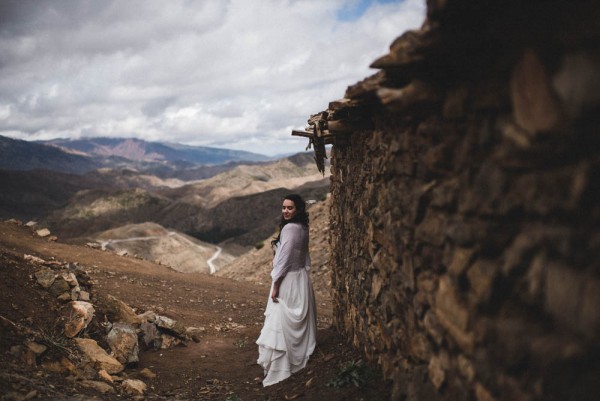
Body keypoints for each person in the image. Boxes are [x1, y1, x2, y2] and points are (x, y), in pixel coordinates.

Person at [256, 194, 317, 386]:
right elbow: (304, 257)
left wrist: (275, 285)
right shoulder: (303, 227)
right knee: (293, 322)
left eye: (290, 208)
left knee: (281, 321)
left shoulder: (290, 228)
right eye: (283, 207)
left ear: (298, 209)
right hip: (301, 279)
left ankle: (281, 366)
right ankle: (295, 356)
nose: (285, 211)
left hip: (288, 280)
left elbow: (284, 260)